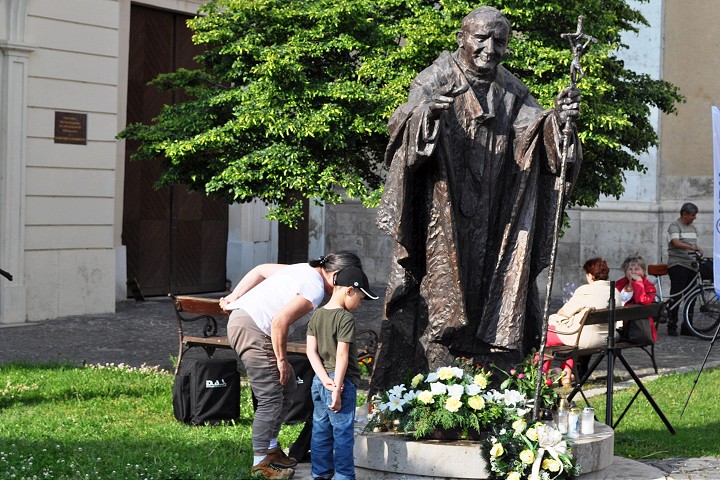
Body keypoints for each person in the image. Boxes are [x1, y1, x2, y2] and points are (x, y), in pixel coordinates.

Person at [372, 6, 583, 390]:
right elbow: (402, 125)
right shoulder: (436, 77)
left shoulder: (512, 90)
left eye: (499, 41)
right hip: (444, 215)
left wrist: (560, 120)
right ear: (462, 39)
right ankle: (432, 393)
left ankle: (489, 389)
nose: (490, 49)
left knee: (494, 294)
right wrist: (426, 117)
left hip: (496, 215)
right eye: (481, 38)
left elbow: (538, 135)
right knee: (440, 297)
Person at [222, 251, 362, 480]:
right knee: (271, 396)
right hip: (254, 330)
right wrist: (281, 360)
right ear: (337, 276)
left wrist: (232, 298)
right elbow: (279, 322)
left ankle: (271, 450)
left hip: (245, 322)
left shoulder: (303, 269)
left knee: (287, 387)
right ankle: (261, 464)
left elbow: (259, 270)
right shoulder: (315, 288)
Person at [306, 267, 378, 480]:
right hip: (341, 382)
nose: (360, 304)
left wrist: (324, 380)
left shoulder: (317, 314)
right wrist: (336, 388)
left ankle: (320, 474)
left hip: (320, 382)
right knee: (343, 434)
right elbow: (342, 355)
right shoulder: (345, 318)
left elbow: (311, 351)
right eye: (361, 298)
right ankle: (344, 476)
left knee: (320, 431)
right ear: (349, 291)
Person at [545, 258, 622, 386]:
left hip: (585, 340)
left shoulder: (586, 290)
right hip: (607, 339)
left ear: (590, 275)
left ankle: (542, 376)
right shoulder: (615, 292)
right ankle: (567, 376)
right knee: (570, 338)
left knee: (547, 335)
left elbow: (564, 312)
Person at [667, 202, 703, 336]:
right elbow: (675, 242)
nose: (694, 218)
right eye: (693, 215)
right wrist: (692, 248)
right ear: (684, 214)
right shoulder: (674, 226)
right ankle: (672, 325)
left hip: (691, 266)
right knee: (677, 295)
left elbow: (694, 244)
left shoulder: (693, 228)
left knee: (691, 297)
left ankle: (687, 326)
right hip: (678, 264)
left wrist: (698, 251)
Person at [615, 254, 658, 342]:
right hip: (615, 323)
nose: (633, 272)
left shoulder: (648, 286)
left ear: (643, 271)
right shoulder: (619, 284)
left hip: (632, 328)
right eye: (630, 269)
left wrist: (638, 283)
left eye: (637, 269)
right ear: (625, 272)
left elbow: (642, 301)